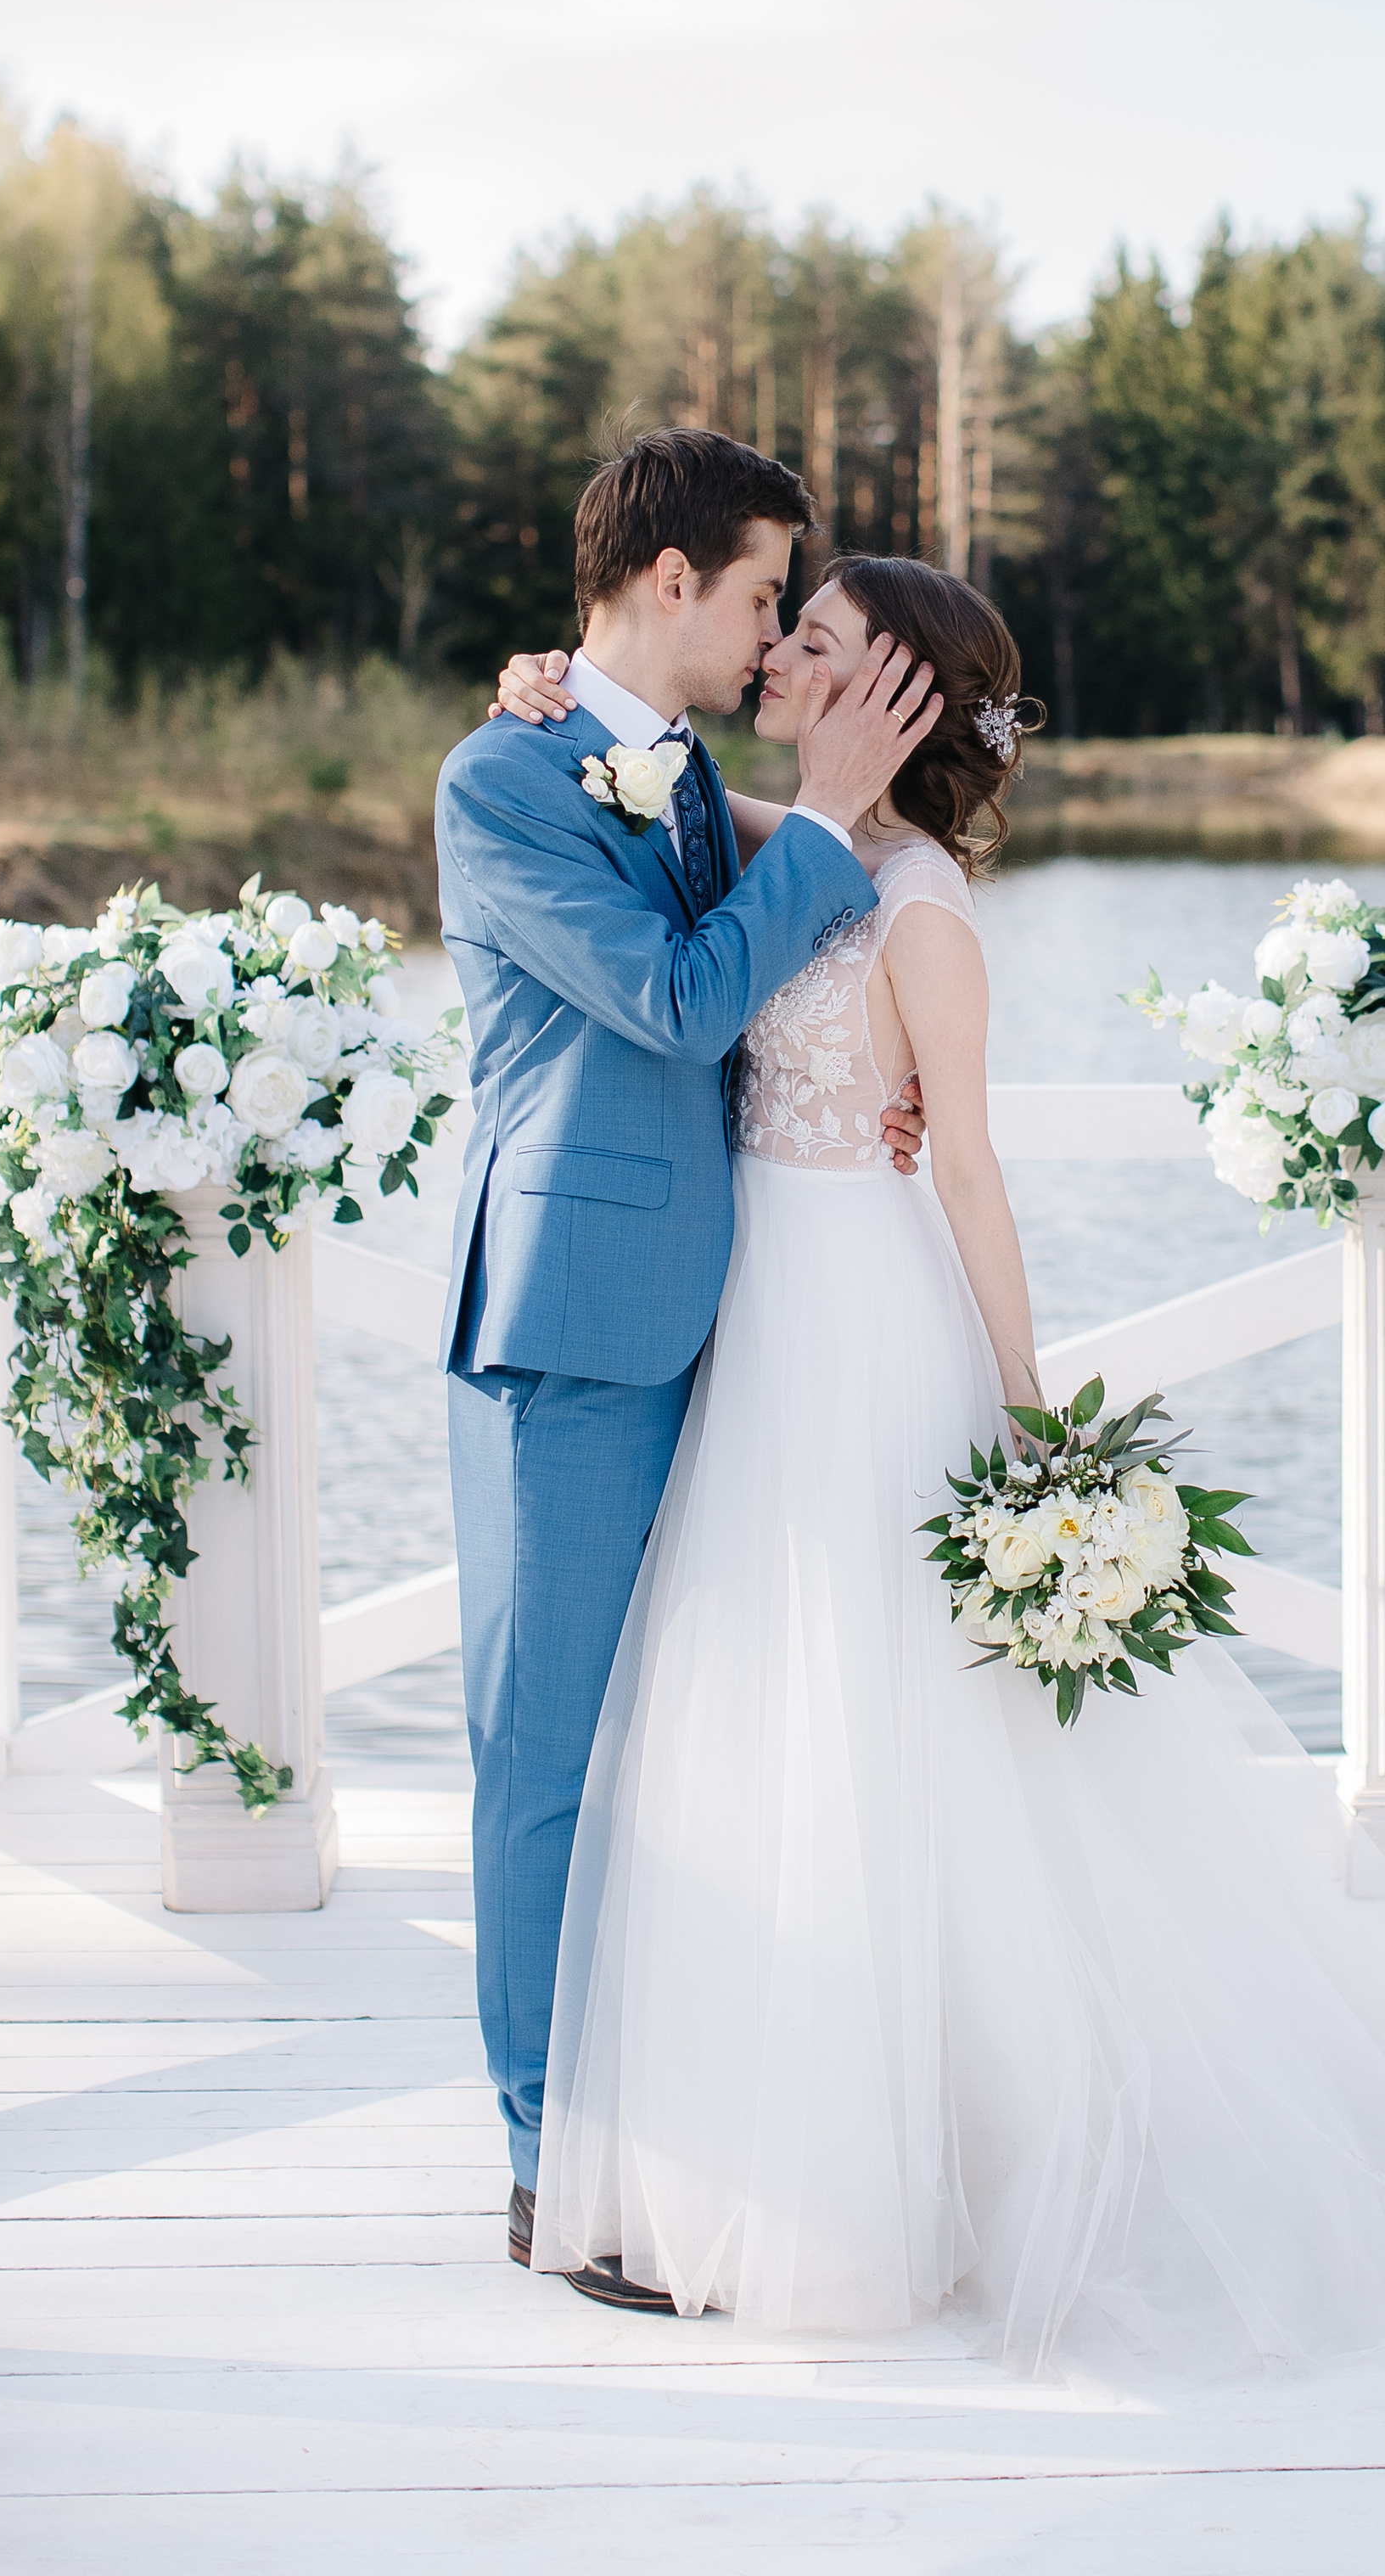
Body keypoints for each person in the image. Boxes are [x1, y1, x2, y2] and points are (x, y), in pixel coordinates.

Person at [485, 556, 1385, 2380]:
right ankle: (750, 2150)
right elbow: (661, 802)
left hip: (867, 1333)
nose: (776, 654)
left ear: (890, 693)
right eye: (777, 624)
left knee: (882, 1730)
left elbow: (964, 1170)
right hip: (753, 1331)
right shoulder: (766, 836)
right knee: (753, 1712)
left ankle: (915, 2163)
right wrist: (550, 694)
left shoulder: (919, 915)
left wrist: (1028, 1404)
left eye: (810, 641)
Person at [434, 431, 941, 2276]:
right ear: (667, 580)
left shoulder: (665, 766)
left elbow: (783, 972)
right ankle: (542, 2172)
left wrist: (870, 1086)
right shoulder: (502, 780)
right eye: (751, 596)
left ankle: (682, 2125)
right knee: (545, 1753)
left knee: (687, 1751)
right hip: (568, 1318)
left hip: (724, 1315)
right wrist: (812, 833)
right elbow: (668, 999)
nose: (758, 635)